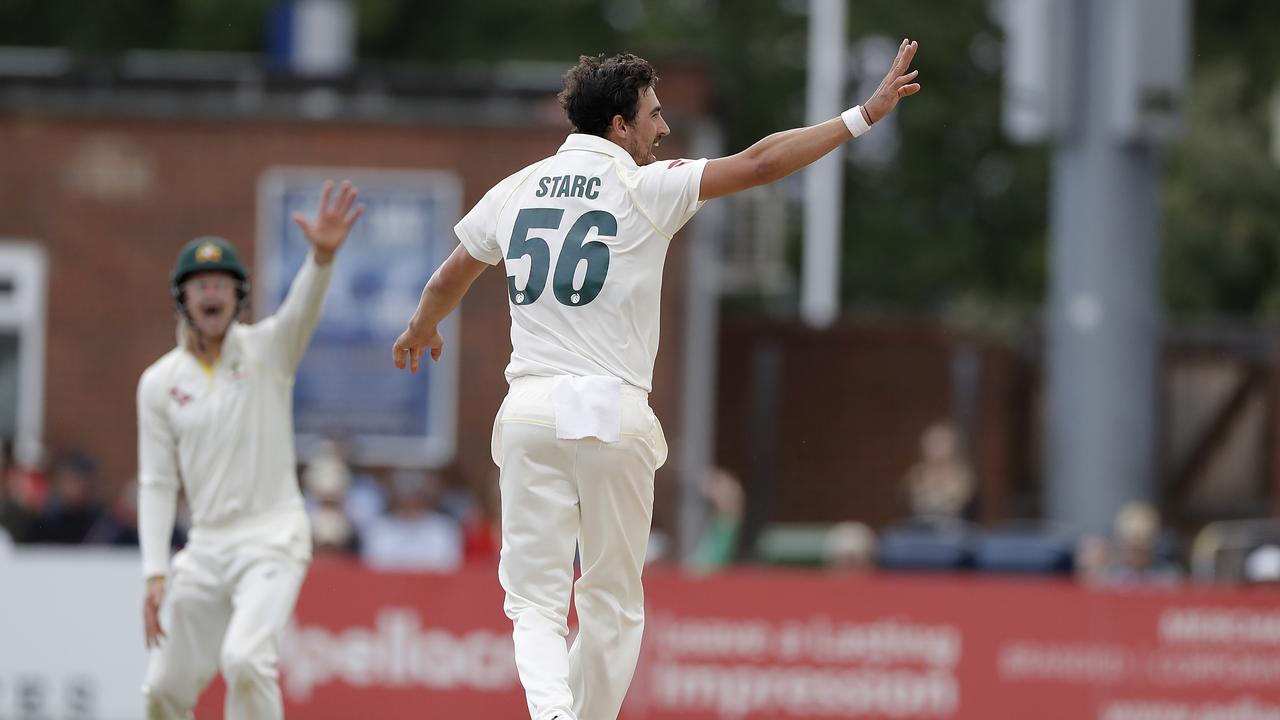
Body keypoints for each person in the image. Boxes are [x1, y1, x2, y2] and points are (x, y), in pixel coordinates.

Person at [391, 44, 921, 720]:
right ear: (619, 125)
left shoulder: (517, 187)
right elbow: (763, 162)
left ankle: (552, 713)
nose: (663, 129)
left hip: (528, 410)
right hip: (611, 411)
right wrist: (863, 116)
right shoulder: (645, 187)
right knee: (611, 603)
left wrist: (421, 328)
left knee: (533, 604)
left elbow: (447, 279)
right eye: (654, 115)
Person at [136, 180, 363, 719]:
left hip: (271, 538)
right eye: (199, 285)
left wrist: (322, 258)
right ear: (184, 299)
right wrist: (153, 571)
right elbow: (157, 482)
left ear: (238, 295)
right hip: (207, 546)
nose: (210, 292)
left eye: (220, 283)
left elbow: (299, 311)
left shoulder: (267, 352)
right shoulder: (160, 382)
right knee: (162, 691)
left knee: (245, 660)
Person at [359, 468, 462, 572]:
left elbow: (448, 567)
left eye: (416, 496)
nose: (411, 503)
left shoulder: (444, 528)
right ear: (396, 497)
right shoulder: (378, 527)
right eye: (405, 496)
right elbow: (375, 566)